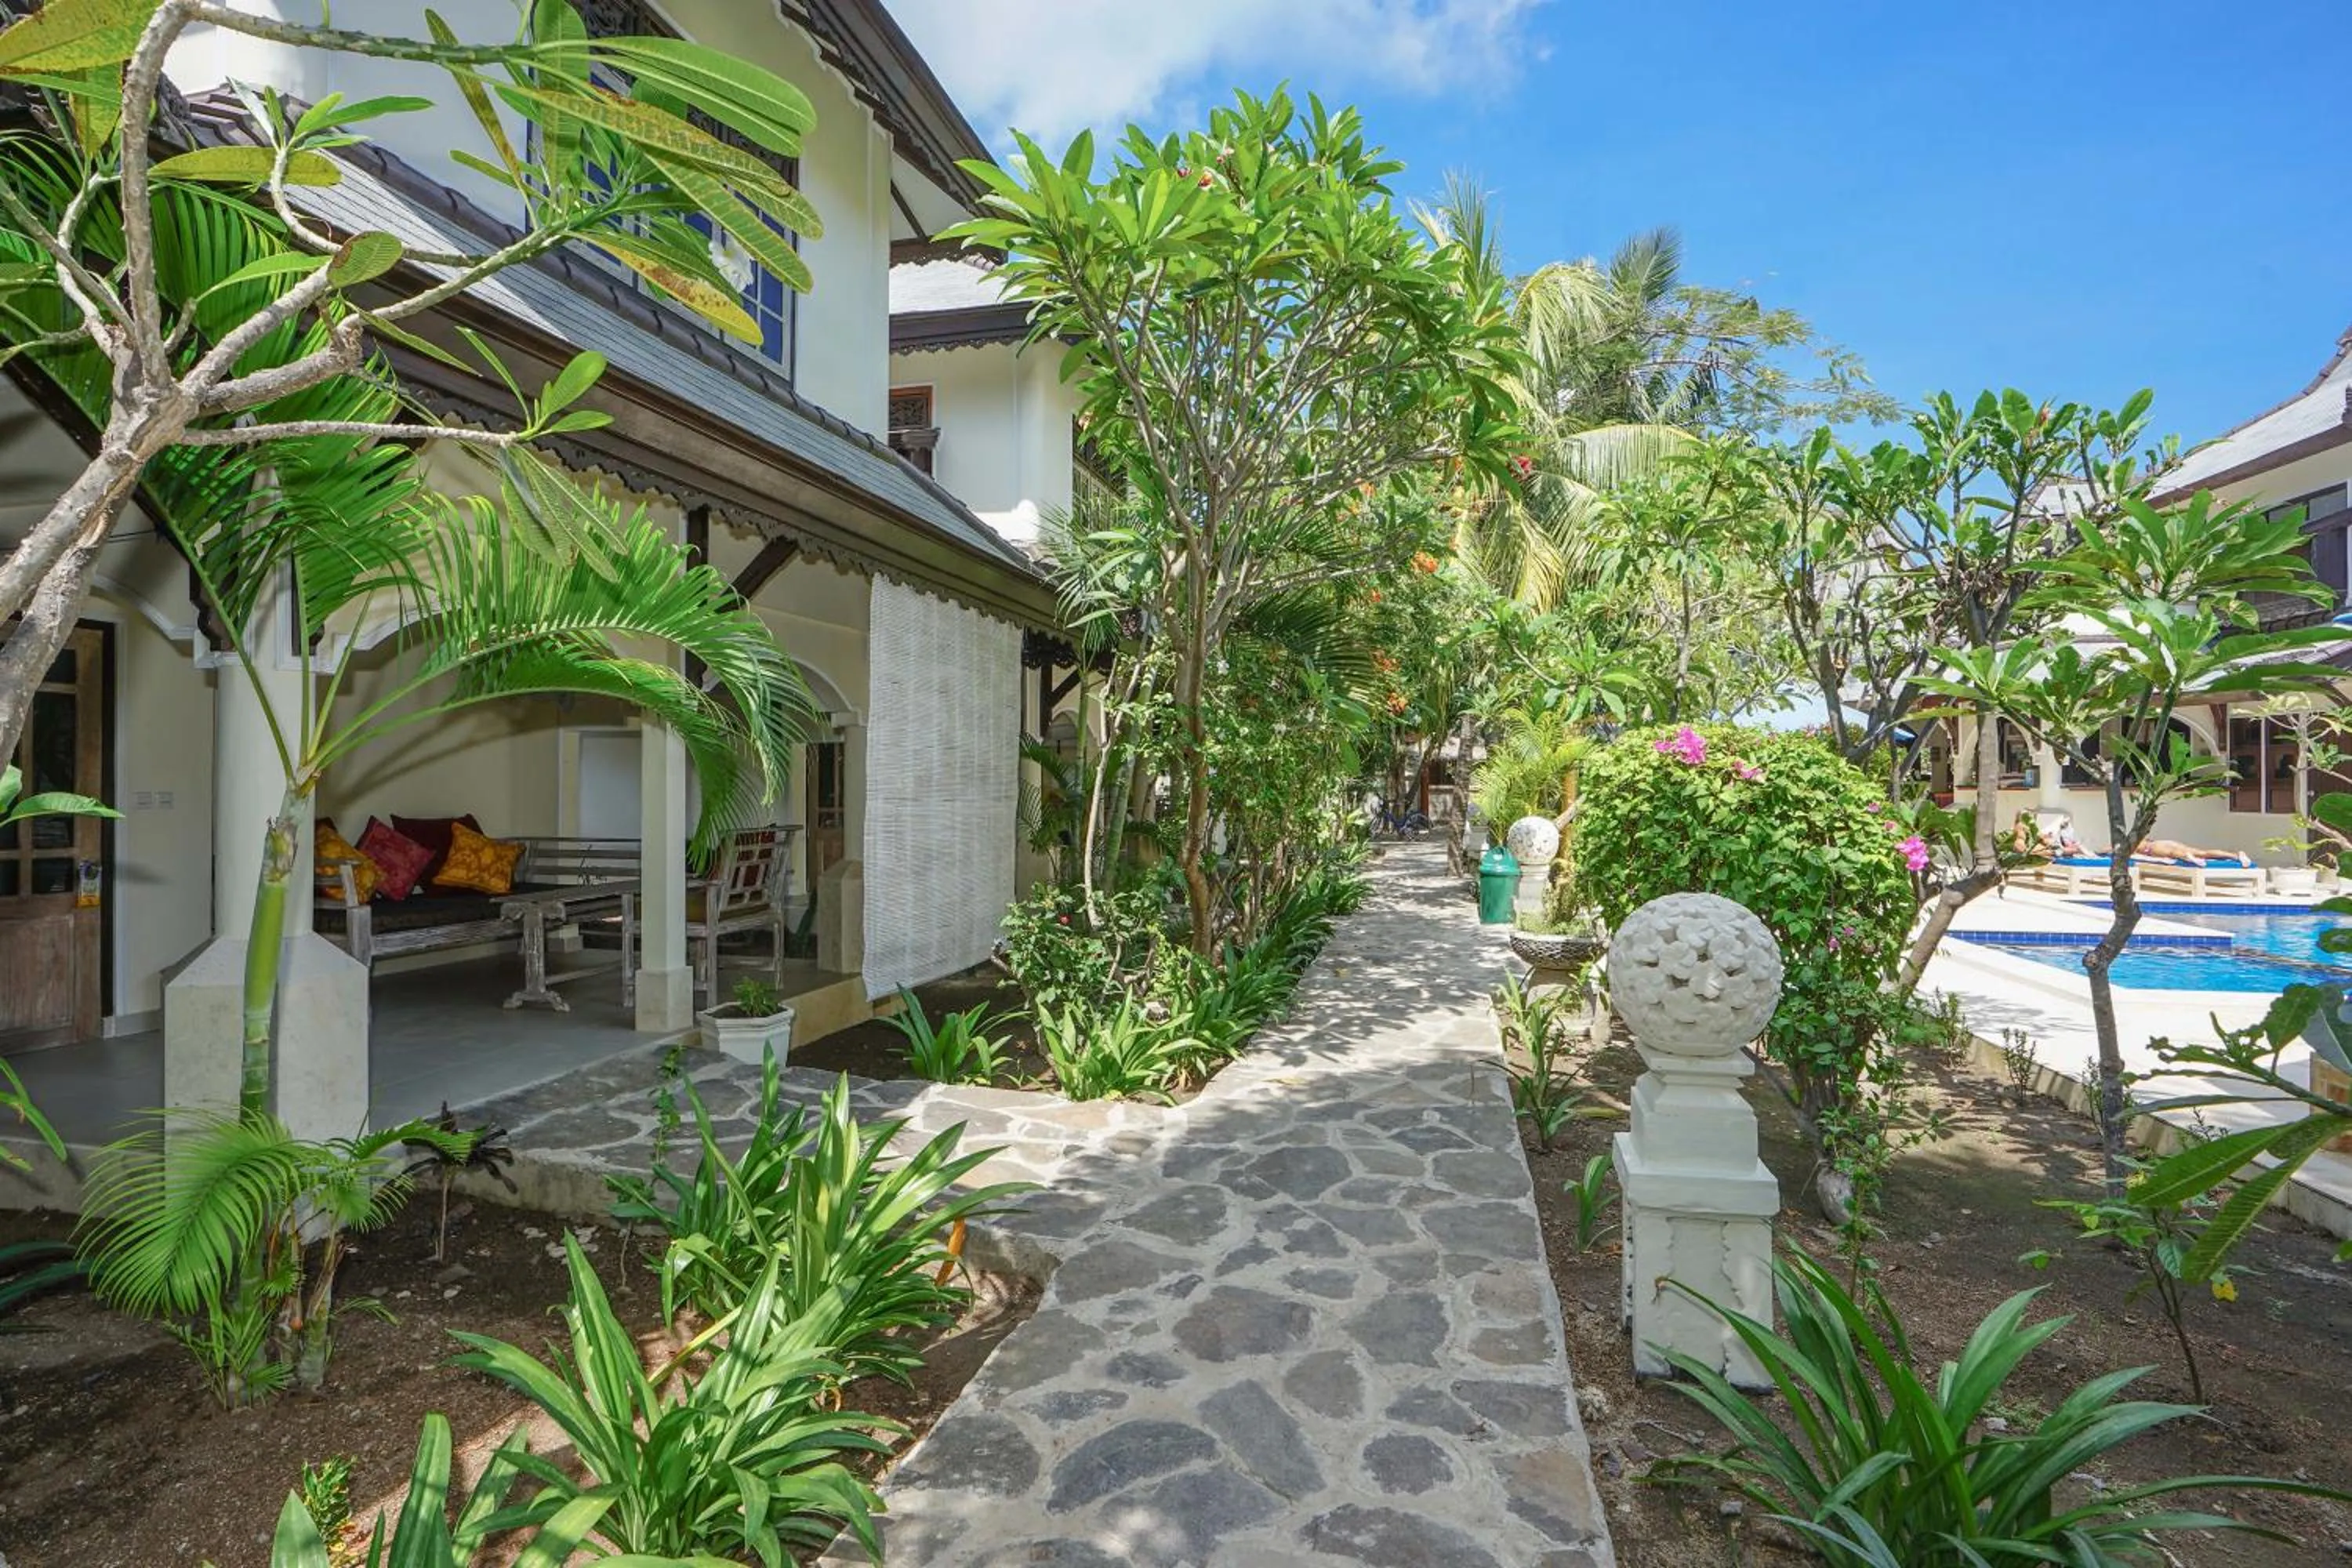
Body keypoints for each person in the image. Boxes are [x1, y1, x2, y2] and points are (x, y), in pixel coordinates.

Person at [2133, 838, 2251, 866]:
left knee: (2172, 853)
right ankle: (2236, 856)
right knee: (2203, 853)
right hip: (2163, 844)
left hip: (2156, 848)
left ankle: (2188, 857)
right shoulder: (2136, 839)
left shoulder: (2130, 844)